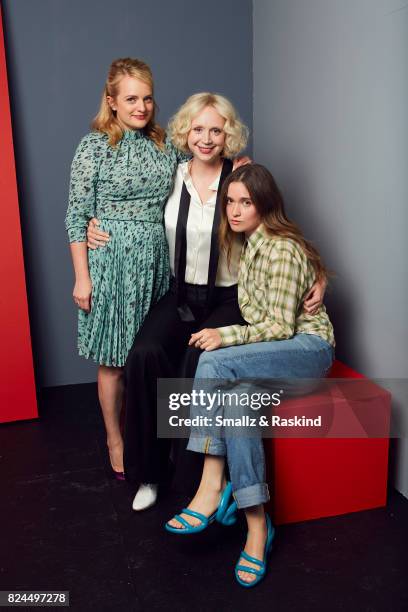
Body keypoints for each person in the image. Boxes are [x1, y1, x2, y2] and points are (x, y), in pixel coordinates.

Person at [88, 96, 328, 510]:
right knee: (143, 354)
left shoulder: (241, 176)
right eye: (198, 129)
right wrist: (97, 224)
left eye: (216, 130)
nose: (206, 138)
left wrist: (318, 275)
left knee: (195, 361)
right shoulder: (170, 173)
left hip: (229, 297)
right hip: (180, 292)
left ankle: (195, 480)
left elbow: (279, 226)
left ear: (228, 135)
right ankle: (150, 474)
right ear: (185, 131)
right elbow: (129, 203)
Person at [165, 163, 335, 588]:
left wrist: (225, 335)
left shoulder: (280, 248)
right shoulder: (247, 245)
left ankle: (210, 484)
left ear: (265, 204)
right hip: (273, 354)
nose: (235, 210)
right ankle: (258, 526)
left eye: (246, 202)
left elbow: (280, 327)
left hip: (306, 352)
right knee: (238, 399)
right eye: (230, 202)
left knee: (214, 360)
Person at [65, 58, 187, 479]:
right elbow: (76, 216)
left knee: (153, 357)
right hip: (111, 263)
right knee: (114, 361)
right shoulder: (95, 145)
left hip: (155, 262)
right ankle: (115, 439)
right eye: (131, 98)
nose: (141, 107)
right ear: (111, 101)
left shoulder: (165, 144)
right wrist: (83, 277)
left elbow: (206, 163)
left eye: (147, 98)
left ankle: (157, 441)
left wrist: (240, 166)